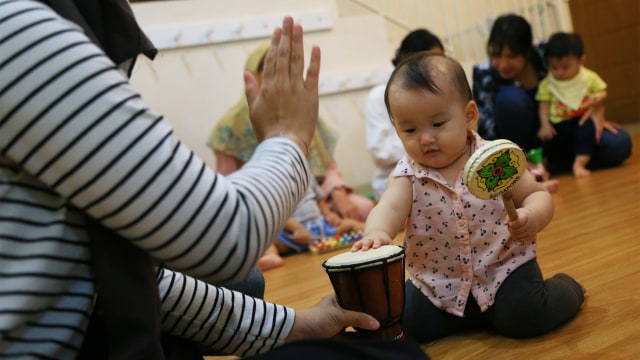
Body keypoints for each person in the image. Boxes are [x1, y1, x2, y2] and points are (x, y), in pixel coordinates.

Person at [0, 1, 387, 358]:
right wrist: (289, 138)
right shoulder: (15, 31)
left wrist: (296, 326)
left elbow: (144, 278)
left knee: (245, 283)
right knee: (244, 278)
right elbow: (226, 236)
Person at [351, 53, 585, 343]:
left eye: (437, 124)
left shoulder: (495, 159)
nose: (425, 138)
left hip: (504, 272)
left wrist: (533, 216)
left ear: (469, 116)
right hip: (438, 286)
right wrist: (377, 233)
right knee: (402, 323)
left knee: (526, 314)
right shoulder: (406, 175)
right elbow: (387, 207)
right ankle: (459, 318)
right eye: (409, 129)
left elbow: (537, 193)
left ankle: (567, 288)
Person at [209, 43, 375, 222]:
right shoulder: (230, 126)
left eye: (284, 68)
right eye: (269, 67)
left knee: (363, 208)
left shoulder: (301, 112)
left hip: (315, 199)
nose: (278, 75)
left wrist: (337, 192)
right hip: (265, 205)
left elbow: (328, 168)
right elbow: (230, 186)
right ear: (252, 74)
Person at [473, 14, 631, 184]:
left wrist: (595, 114)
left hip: (565, 130)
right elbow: (487, 128)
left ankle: (552, 164)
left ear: (527, 51)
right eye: (496, 55)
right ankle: (529, 164)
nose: (502, 64)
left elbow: (580, 80)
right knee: (510, 99)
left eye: (511, 56)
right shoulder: (484, 72)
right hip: (523, 144)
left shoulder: (548, 53)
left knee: (619, 143)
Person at [365, 28, 444, 200]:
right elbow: (380, 152)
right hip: (397, 178)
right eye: (430, 63)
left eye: (441, 62)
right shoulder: (379, 95)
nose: (438, 69)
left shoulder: (443, 93)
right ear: (407, 62)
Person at [536, 32, 608, 178]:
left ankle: (579, 164)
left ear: (581, 61)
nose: (559, 72)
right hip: (557, 124)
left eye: (565, 67)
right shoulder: (548, 83)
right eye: (554, 67)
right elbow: (543, 106)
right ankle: (542, 169)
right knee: (544, 141)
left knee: (587, 134)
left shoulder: (589, 77)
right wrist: (544, 125)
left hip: (581, 119)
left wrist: (597, 97)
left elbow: (603, 91)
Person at [258, 177, 365, 270]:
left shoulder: (308, 176)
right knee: (268, 240)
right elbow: (277, 213)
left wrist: (328, 214)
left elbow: (319, 199)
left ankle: (373, 233)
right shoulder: (270, 182)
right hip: (291, 234)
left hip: (321, 226)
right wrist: (297, 228)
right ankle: (271, 256)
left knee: (349, 224)